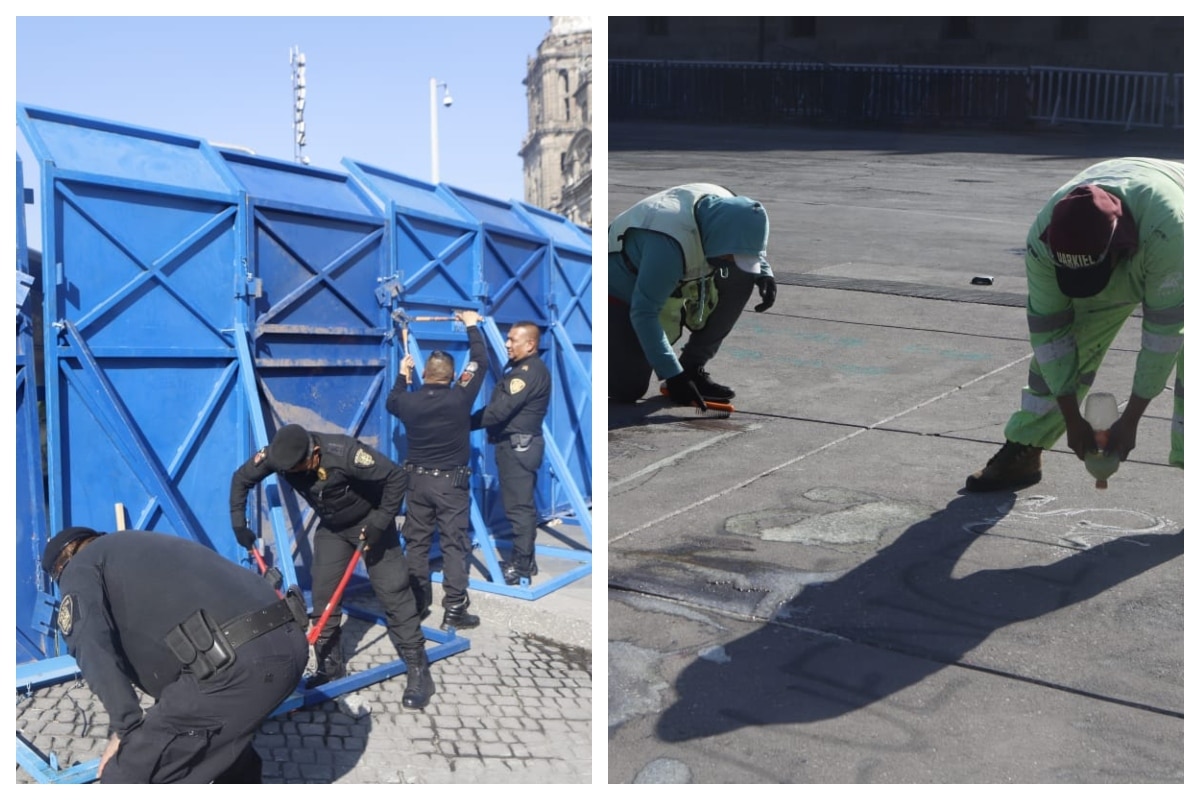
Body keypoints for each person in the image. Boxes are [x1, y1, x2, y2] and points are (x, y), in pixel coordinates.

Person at [965, 157, 1183, 491]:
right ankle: (1026, 448)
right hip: (1128, 234)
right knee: (1066, 347)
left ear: (1115, 250)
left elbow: (1163, 338)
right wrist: (1071, 418)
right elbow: (1050, 336)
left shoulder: (1169, 234)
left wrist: (1132, 419)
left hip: (1176, 230)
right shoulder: (1042, 242)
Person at [41, 526, 309, 783]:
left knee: (127, 775)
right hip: (289, 641)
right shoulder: (136, 546)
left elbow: (90, 644)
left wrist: (127, 729)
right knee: (225, 752)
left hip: (235, 665)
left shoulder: (78, 568)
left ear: (60, 568)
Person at [229, 424, 435, 709]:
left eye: (301, 467)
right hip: (333, 529)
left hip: (370, 523)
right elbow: (241, 479)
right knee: (324, 595)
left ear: (314, 453)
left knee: (393, 592)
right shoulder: (280, 456)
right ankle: (330, 667)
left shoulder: (344, 452)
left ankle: (418, 668)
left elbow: (396, 477)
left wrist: (380, 522)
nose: (297, 473)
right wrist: (239, 523)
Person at [609, 182, 775, 408]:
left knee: (741, 275)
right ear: (717, 237)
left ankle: (692, 366)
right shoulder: (667, 245)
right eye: (730, 254)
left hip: (662, 277)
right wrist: (673, 376)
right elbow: (644, 311)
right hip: (616, 291)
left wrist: (763, 273)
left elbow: (741, 239)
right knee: (628, 388)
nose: (730, 259)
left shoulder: (729, 208)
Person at [386, 310, 487, 630]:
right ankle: (454, 608)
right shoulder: (461, 396)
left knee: (415, 543)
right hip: (450, 486)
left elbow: (392, 401)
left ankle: (417, 603)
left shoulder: (409, 402)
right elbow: (480, 362)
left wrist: (403, 374)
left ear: (425, 373)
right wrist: (471, 325)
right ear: (453, 375)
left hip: (417, 483)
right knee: (453, 545)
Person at [472, 321, 552, 585]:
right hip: (518, 445)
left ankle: (522, 565)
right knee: (519, 506)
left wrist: (461, 421)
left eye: (512, 340)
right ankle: (526, 559)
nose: (507, 344)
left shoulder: (526, 373)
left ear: (530, 344)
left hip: (518, 448)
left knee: (519, 509)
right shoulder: (525, 369)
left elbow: (499, 410)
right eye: (507, 339)